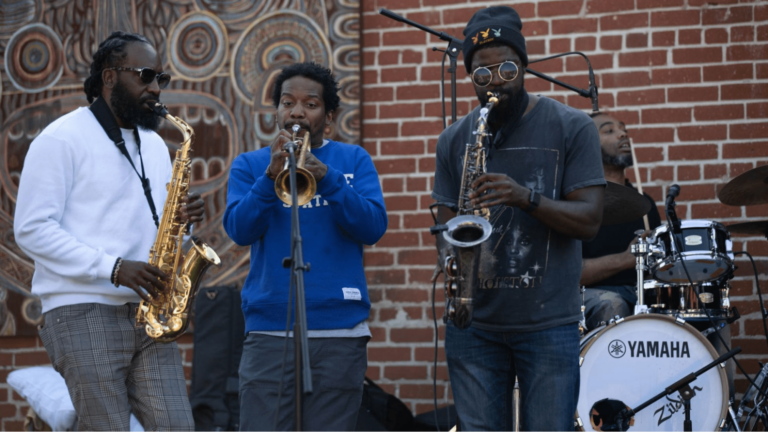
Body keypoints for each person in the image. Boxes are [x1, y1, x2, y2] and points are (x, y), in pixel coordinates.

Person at [14, 31, 203, 431]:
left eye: (160, 79)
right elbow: (31, 229)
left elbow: (156, 230)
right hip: (81, 309)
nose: (155, 88)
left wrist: (183, 227)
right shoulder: (61, 139)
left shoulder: (153, 144)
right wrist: (113, 268)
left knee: (178, 426)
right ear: (110, 76)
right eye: (146, 75)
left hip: (147, 312)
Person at [431, 6, 605, 431]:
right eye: (482, 75)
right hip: (474, 323)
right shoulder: (454, 139)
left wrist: (525, 197)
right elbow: (445, 221)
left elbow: (589, 221)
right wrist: (452, 261)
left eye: (507, 69)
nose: (496, 84)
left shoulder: (573, 126)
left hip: (548, 324)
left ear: (524, 66)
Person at [223, 62, 387, 432]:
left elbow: (373, 227)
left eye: (310, 104)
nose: (296, 112)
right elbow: (239, 230)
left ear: (328, 118)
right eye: (287, 102)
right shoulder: (250, 166)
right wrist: (270, 176)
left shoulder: (353, 160)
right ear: (277, 111)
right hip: (269, 330)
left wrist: (326, 177)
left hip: (338, 330)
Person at [580, 112, 661, 330]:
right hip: (592, 295)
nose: (622, 134)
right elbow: (570, 274)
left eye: (623, 129)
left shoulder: (645, 203)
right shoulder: (576, 203)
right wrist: (626, 259)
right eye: (609, 130)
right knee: (612, 304)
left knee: (703, 309)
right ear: (588, 144)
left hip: (642, 291)